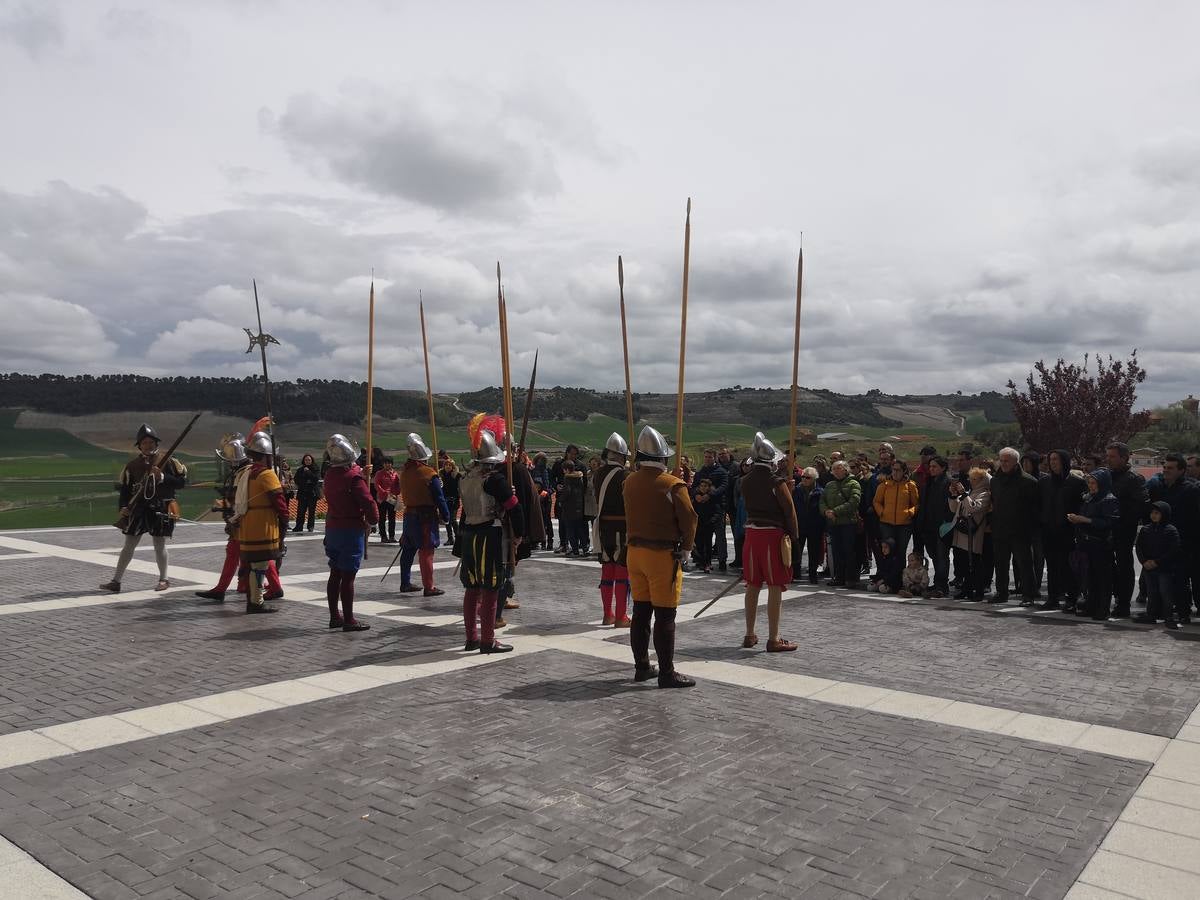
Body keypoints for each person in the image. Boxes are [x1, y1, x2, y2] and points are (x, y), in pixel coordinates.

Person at [623, 425, 698, 688]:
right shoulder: (672, 484)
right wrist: (687, 546)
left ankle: (642, 666)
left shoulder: (629, 481)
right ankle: (667, 672)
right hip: (661, 554)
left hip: (634, 553)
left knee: (641, 612)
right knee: (665, 615)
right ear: (663, 458)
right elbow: (689, 519)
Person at [456, 429, 524, 653]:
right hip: (490, 535)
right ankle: (487, 640)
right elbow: (514, 507)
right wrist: (519, 534)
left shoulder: (465, 478)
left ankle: (471, 638)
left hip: (468, 534)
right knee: (491, 588)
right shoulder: (494, 479)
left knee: (472, 589)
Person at [100, 423, 188, 593]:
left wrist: (163, 477)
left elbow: (181, 483)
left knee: (159, 544)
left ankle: (164, 579)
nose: (148, 445)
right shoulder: (132, 466)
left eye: (150, 442)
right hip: (139, 509)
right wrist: (123, 507)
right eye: (144, 443)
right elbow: (125, 490)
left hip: (161, 507)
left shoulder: (169, 462)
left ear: (156, 443)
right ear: (140, 445)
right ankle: (116, 581)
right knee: (129, 545)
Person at [195, 433, 283, 603]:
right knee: (253, 555)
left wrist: (232, 516)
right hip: (245, 519)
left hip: (245, 520)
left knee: (253, 555)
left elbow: (238, 499)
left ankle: (224, 589)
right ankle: (244, 585)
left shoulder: (245, 473)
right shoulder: (248, 471)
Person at [738, 433, 799, 652]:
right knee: (774, 586)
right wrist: (794, 535)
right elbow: (789, 512)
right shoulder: (776, 481)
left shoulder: (744, 481)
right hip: (772, 535)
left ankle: (749, 634)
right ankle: (774, 638)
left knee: (753, 585)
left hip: (752, 535)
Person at [321, 433, 378, 631]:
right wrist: (373, 519)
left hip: (333, 529)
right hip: (350, 529)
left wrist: (360, 472)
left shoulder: (330, 475)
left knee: (335, 573)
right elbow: (368, 502)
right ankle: (349, 620)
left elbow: (346, 477)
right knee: (348, 576)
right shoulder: (354, 479)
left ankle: (334, 616)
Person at [230, 431, 286, 614]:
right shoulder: (267, 475)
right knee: (260, 565)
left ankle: (254, 599)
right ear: (266, 456)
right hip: (263, 525)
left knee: (253, 564)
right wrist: (283, 526)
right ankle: (256, 601)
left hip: (247, 524)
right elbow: (280, 504)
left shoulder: (244, 472)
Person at [397, 433, 451, 597]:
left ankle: (405, 582)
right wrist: (446, 515)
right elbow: (439, 498)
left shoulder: (404, 472)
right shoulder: (429, 474)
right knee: (426, 551)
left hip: (409, 516)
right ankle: (429, 586)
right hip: (425, 517)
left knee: (407, 550)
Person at [1149, 453, 1199, 621]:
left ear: (1182, 470)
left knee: (1182, 581)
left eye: (1170, 468)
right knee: (1162, 581)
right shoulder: (1158, 488)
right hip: (1162, 543)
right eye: (1164, 467)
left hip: (1185, 543)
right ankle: (1162, 610)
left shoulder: (1192, 490)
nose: (1166, 471)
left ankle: (1184, 613)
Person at [988, 447, 1040, 607]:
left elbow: (1034, 509)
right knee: (1000, 564)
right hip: (999, 530)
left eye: (1006, 461)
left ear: (1015, 462)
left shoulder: (1029, 481)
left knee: (1025, 564)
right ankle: (1001, 593)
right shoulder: (995, 481)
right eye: (1001, 460)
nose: (1003, 464)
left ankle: (1029, 595)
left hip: (1021, 531)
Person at [1069, 468, 1120, 621]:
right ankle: (1091, 606)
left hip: (1101, 544)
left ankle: (1103, 609)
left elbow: (1109, 522)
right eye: (1089, 483)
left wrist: (1084, 520)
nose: (1091, 486)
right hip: (1087, 542)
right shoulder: (1089, 498)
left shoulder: (1109, 499)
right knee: (1089, 577)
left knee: (1103, 578)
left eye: (1094, 483)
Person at [1040, 450, 1087, 612]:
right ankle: (1052, 598)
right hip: (1049, 531)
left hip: (1068, 531)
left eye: (1056, 460)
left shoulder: (1077, 482)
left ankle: (1071, 598)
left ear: (1065, 462)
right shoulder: (1045, 482)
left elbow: (1083, 506)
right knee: (1052, 566)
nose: (1053, 463)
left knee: (1068, 567)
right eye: (1051, 459)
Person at [593, 433, 632, 627]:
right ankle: (620, 616)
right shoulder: (626, 475)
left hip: (604, 529)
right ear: (621, 456)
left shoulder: (598, 473)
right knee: (622, 573)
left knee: (607, 571)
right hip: (622, 528)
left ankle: (607, 614)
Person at [1105, 442, 1147, 619]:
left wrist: (1121, 517)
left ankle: (1123, 604)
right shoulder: (1106, 476)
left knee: (1124, 568)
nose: (1109, 460)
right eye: (1108, 456)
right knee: (1106, 567)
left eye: (1112, 456)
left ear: (1124, 457)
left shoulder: (1134, 479)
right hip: (1105, 530)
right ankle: (1106, 599)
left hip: (1123, 530)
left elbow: (1141, 506)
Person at [1135, 501, 1185, 629]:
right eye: (1152, 513)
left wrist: (1157, 562)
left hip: (1164, 568)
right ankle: (1151, 614)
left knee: (1165, 592)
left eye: (1157, 513)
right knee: (1151, 592)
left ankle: (1168, 616)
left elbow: (1173, 550)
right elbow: (1139, 547)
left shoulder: (1170, 530)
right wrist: (1144, 561)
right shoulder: (1146, 529)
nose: (1154, 515)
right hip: (1148, 567)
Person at [948, 467, 992, 601]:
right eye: (971, 478)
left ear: (982, 481)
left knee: (975, 564)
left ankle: (978, 591)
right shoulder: (970, 492)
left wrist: (963, 494)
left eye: (974, 479)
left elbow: (973, 507)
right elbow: (955, 508)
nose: (971, 481)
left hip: (973, 535)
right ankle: (966, 589)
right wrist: (953, 496)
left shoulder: (985, 494)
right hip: (961, 532)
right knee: (963, 564)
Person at [914, 455, 953, 598]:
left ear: (943, 468)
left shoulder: (948, 483)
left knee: (942, 557)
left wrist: (945, 524)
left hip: (942, 528)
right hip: (928, 527)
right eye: (930, 467)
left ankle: (942, 586)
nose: (931, 469)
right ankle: (938, 584)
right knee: (935, 557)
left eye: (935, 466)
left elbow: (950, 507)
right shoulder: (928, 483)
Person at [820, 459, 861, 588]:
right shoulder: (829, 485)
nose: (836, 471)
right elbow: (822, 500)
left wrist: (835, 511)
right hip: (833, 524)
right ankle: (839, 577)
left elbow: (854, 501)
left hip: (848, 523)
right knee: (836, 551)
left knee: (848, 550)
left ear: (845, 469)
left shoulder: (853, 483)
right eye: (834, 468)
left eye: (839, 468)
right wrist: (826, 511)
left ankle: (851, 578)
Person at [873, 458, 919, 559]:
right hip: (886, 524)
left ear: (904, 471)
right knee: (888, 551)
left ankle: (900, 574)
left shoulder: (910, 485)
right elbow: (876, 501)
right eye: (893, 469)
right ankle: (890, 574)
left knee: (901, 552)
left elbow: (916, 504)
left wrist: (909, 513)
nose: (895, 472)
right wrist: (881, 512)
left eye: (898, 470)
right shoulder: (884, 485)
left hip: (904, 525)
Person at [693, 449, 729, 572]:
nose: (707, 459)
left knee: (720, 536)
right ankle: (702, 560)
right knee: (702, 537)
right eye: (706, 457)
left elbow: (723, 487)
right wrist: (696, 495)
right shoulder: (700, 472)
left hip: (716, 508)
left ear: (714, 458)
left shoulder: (721, 472)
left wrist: (710, 495)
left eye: (709, 457)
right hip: (702, 509)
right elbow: (694, 487)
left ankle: (722, 560)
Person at [792, 466, 825, 585]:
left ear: (814, 479)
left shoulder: (820, 492)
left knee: (814, 551)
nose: (804, 479)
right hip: (800, 524)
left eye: (808, 477)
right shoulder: (796, 490)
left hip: (814, 525)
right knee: (797, 550)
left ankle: (812, 574)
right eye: (803, 477)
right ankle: (795, 572)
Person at [556, 460, 588, 556]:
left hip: (569, 508)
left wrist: (561, 500)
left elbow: (567, 492)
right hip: (579, 506)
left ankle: (575, 550)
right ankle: (584, 547)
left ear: (566, 469)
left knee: (570, 529)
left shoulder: (568, 478)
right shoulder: (580, 477)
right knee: (579, 528)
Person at [373, 456, 400, 543]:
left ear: (391, 464)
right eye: (385, 463)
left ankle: (392, 536)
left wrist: (396, 493)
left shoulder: (395, 474)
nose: (387, 465)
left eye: (389, 463)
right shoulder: (379, 473)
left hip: (392, 498)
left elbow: (397, 485)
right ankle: (383, 536)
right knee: (382, 518)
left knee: (392, 518)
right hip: (382, 498)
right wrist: (384, 493)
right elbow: (377, 485)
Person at [531, 452, 554, 550]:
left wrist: (546, 493)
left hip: (546, 498)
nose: (541, 462)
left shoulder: (548, 471)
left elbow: (551, 485)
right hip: (536, 498)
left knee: (547, 520)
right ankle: (540, 541)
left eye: (543, 460)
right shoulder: (532, 471)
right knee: (538, 520)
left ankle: (548, 541)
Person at [292, 453, 320, 533]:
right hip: (303, 493)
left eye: (309, 460)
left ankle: (310, 526)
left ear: (312, 460)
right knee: (300, 511)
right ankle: (299, 526)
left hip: (312, 493)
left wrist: (308, 473)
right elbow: (296, 479)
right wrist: (305, 482)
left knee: (311, 511)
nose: (307, 461)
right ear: (304, 461)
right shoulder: (300, 469)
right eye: (306, 460)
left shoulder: (315, 468)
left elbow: (315, 479)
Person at [440, 456, 461, 546]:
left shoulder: (456, 476)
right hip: (445, 501)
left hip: (454, 500)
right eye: (446, 465)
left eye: (450, 465)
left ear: (453, 467)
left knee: (452, 519)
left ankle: (458, 537)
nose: (448, 467)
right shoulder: (442, 476)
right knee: (447, 520)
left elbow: (460, 487)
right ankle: (450, 538)